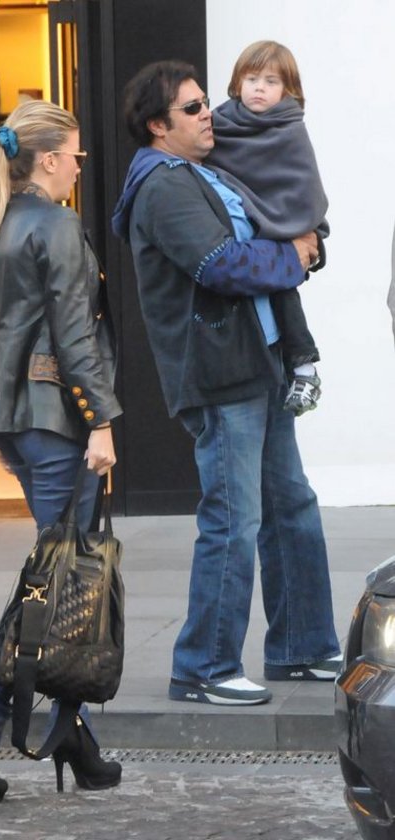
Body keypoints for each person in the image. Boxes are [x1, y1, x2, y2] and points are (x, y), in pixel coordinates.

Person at [112, 60, 340, 707]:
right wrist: (292, 255)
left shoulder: (202, 173)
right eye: (191, 108)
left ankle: (301, 647)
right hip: (220, 375)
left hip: (258, 364)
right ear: (158, 127)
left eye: (205, 101)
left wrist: (302, 245)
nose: (207, 112)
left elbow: (271, 226)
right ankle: (204, 665)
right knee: (234, 521)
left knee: (291, 508)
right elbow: (222, 264)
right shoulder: (162, 186)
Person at [0, 100, 123, 803]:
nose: (79, 165)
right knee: (53, 584)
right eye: (75, 155)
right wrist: (100, 420)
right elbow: (75, 334)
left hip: (20, 418)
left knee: (65, 578)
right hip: (59, 422)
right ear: (47, 159)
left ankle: (72, 731)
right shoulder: (56, 224)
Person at [208, 40, 328, 416]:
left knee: (280, 281)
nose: (259, 88)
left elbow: (302, 186)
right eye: (252, 79)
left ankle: (304, 366)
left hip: (281, 231)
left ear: (288, 90)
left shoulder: (290, 130)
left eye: (271, 81)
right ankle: (299, 367)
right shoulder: (218, 124)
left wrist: (290, 228)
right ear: (237, 82)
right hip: (240, 236)